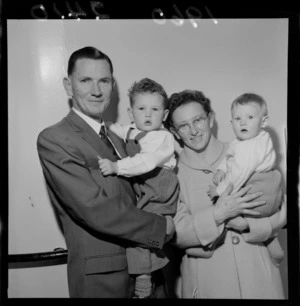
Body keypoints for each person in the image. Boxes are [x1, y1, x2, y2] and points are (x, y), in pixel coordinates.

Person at [36, 46, 176, 298]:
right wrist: (161, 227)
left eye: (104, 81)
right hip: (103, 280)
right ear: (68, 86)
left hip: (149, 270)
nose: (97, 90)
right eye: (86, 80)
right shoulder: (55, 138)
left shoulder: (120, 135)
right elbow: (95, 209)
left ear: (112, 85)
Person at [167, 89, 286, 299]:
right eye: (183, 126)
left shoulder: (246, 150)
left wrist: (249, 225)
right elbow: (176, 232)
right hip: (207, 281)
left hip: (257, 273)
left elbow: (280, 206)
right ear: (175, 132)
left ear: (210, 119)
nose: (193, 131)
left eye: (198, 120)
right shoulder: (172, 174)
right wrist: (217, 215)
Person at [98, 77, 179, 298]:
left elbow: (146, 162)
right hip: (145, 186)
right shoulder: (132, 129)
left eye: (154, 109)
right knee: (139, 226)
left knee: (142, 230)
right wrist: (104, 126)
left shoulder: (162, 138)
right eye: (141, 108)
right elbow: (118, 129)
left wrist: (116, 167)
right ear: (132, 113)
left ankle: (144, 278)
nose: (148, 114)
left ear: (164, 115)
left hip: (160, 188)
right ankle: (150, 267)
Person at [207, 93, 282, 218]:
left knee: (223, 210)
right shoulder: (253, 139)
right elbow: (229, 157)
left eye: (250, 117)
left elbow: (238, 173)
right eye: (237, 119)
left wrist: (220, 190)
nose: (243, 123)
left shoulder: (249, 146)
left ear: (263, 121)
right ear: (232, 123)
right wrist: (221, 170)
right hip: (267, 196)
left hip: (261, 197)